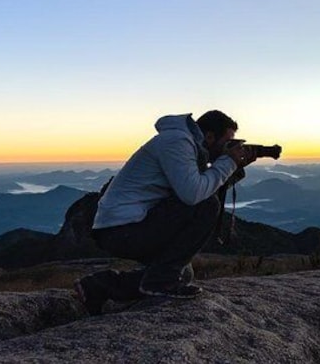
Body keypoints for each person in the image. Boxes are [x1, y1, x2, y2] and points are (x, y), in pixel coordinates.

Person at [74, 110, 255, 315]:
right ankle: (157, 282)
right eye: (228, 143)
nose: (228, 148)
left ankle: (99, 286)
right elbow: (194, 195)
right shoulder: (177, 142)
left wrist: (234, 168)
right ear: (210, 136)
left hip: (128, 225)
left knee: (182, 274)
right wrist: (228, 162)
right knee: (207, 206)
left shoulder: (189, 148)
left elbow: (202, 187)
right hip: (122, 229)